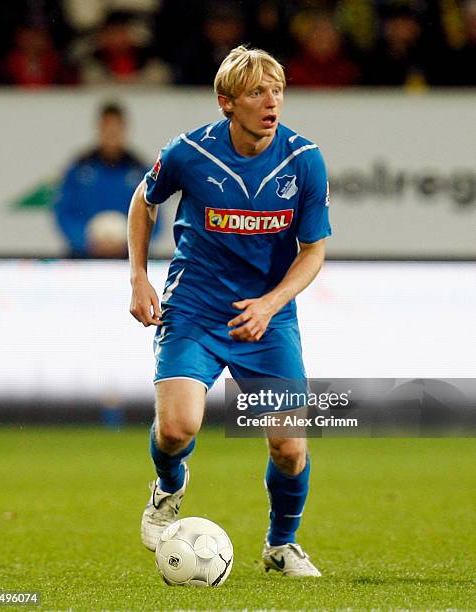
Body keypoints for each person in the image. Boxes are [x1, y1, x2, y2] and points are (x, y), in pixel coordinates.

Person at [128, 46, 331, 577]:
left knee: (289, 448)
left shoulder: (303, 159)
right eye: (257, 92)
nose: (272, 102)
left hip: (268, 318)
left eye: (277, 90)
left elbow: (313, 252)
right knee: (177, 428)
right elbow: (144, 201)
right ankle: (168, 486)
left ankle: (281, 546)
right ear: (227, 102)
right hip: (195, 306)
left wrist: (271, 303)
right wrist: (138, 276)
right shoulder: (189, 152)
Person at [55, 102, 147, 258]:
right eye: (107, 128)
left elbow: (154, 218)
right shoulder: (79, 169)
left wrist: (128, 243)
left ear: (124, 129)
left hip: (128, 261)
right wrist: (85, 241)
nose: (112, 134)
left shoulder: (140, 173)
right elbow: (63, 212)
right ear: (99, 128)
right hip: (84, 259)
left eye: (116, 128)